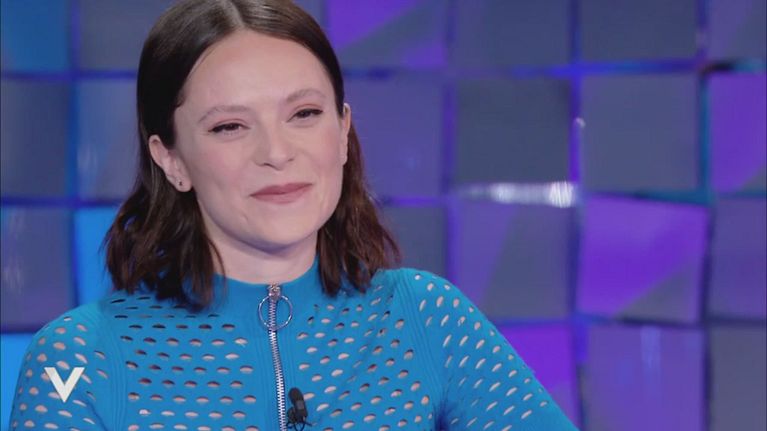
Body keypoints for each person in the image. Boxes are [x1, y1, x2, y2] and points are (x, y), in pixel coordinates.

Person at [8, 1, 579, 430]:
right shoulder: (81, 356)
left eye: (304, 113)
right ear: (171, 159)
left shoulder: (426, 317)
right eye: (229, 126)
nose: (277, 153)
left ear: (343, 131)